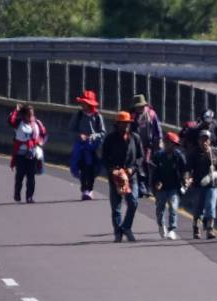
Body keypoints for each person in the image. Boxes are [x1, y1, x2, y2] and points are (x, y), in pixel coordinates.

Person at [101, 111, 143, 242]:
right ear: (117, 124)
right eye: (123, 123)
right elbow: (104, 157)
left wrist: (133, 168)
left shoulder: (135, 138)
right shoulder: (110, 139)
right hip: (116, 177)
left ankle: (126, 227)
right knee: (116, 207)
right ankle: (118, 232)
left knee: (133, 202)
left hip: (131, 176)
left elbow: (140, 156)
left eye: (127, 123)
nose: (125, 126)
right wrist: (112, 169)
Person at [68, 90, 105, 200]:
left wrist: (94, 136)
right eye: (82, 103)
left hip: (94, 147)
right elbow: (71, 130)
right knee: (83, 168)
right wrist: (79, 136)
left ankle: (90, 189)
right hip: (81, 147)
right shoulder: (78, 115)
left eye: (85, 103)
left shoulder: (98, 116)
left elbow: (102, 132)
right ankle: (85, 189)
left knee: (93, 168)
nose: (83, 105)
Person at [151, 132, 188, 240]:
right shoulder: (158, 156)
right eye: (169, 143)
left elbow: (185, 170)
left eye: (173, 144)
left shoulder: (179, 156)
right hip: (161, 187)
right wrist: (156, 182)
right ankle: (161, 225)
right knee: (160, 209)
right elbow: (153, 171)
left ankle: (172, 229)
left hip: (174, 187)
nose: (170, 146)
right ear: (165, 143)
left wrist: (185, 179)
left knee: (173, 207)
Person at [186, 129, 217, 240]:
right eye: (202, 139)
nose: (204, 142)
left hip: (212, 185)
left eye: (206, 139)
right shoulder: (193, 153)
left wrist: (215, 174)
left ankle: (210, 228)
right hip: (198, 185)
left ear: (210, 141)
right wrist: (188, 178)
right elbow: (188, 168)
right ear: (198, 141)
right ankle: (196, 228)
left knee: (211, 205)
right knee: (198, 207)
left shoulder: (215, 152)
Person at [8, 104, 47, 204]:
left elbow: (43, 134)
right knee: (20, 175)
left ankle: (29, 196)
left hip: (32, 153)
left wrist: (40, 142)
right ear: (23, 115)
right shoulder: (18, 123)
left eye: (32, 115)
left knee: (31, 176)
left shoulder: (37, 123)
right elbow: (10, 121)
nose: (31, 117)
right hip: (20, 154)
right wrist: (16, 110)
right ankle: (17, 193)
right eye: (28, 115)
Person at [130, 94, 162, 197]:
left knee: (146, 163)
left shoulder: (151, 114)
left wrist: (160, 139)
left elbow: (158, 128)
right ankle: (140, 186)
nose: (140, 108)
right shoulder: (132, 115)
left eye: (141, 106)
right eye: (138, 106)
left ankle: (148, 188)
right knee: (137, 164)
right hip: (135, 144)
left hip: (148, 144)